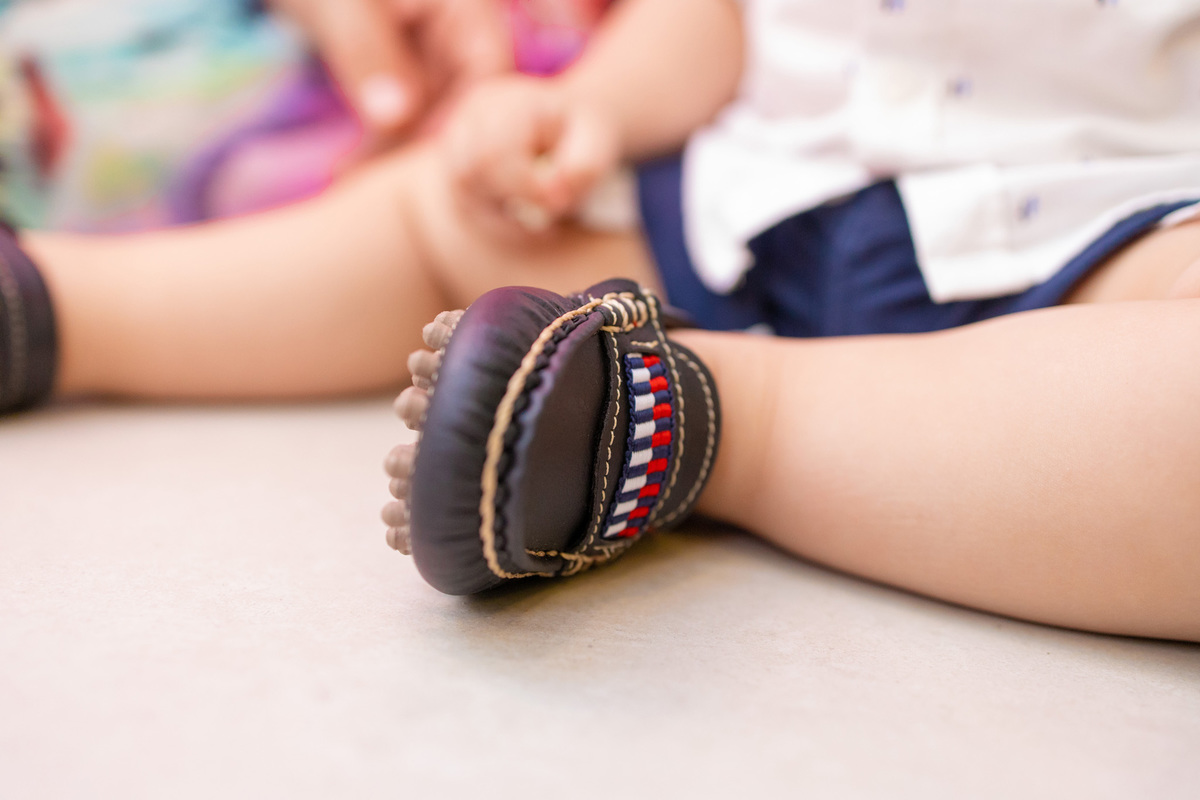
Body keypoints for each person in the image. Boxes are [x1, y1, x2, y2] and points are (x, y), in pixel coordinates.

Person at [3, 0, 1199, 640]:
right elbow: (729, 16)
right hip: (758, 195)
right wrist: (589, 109)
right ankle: (62, 305)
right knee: (448, 215)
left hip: (1097, 227)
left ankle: (692, 417)